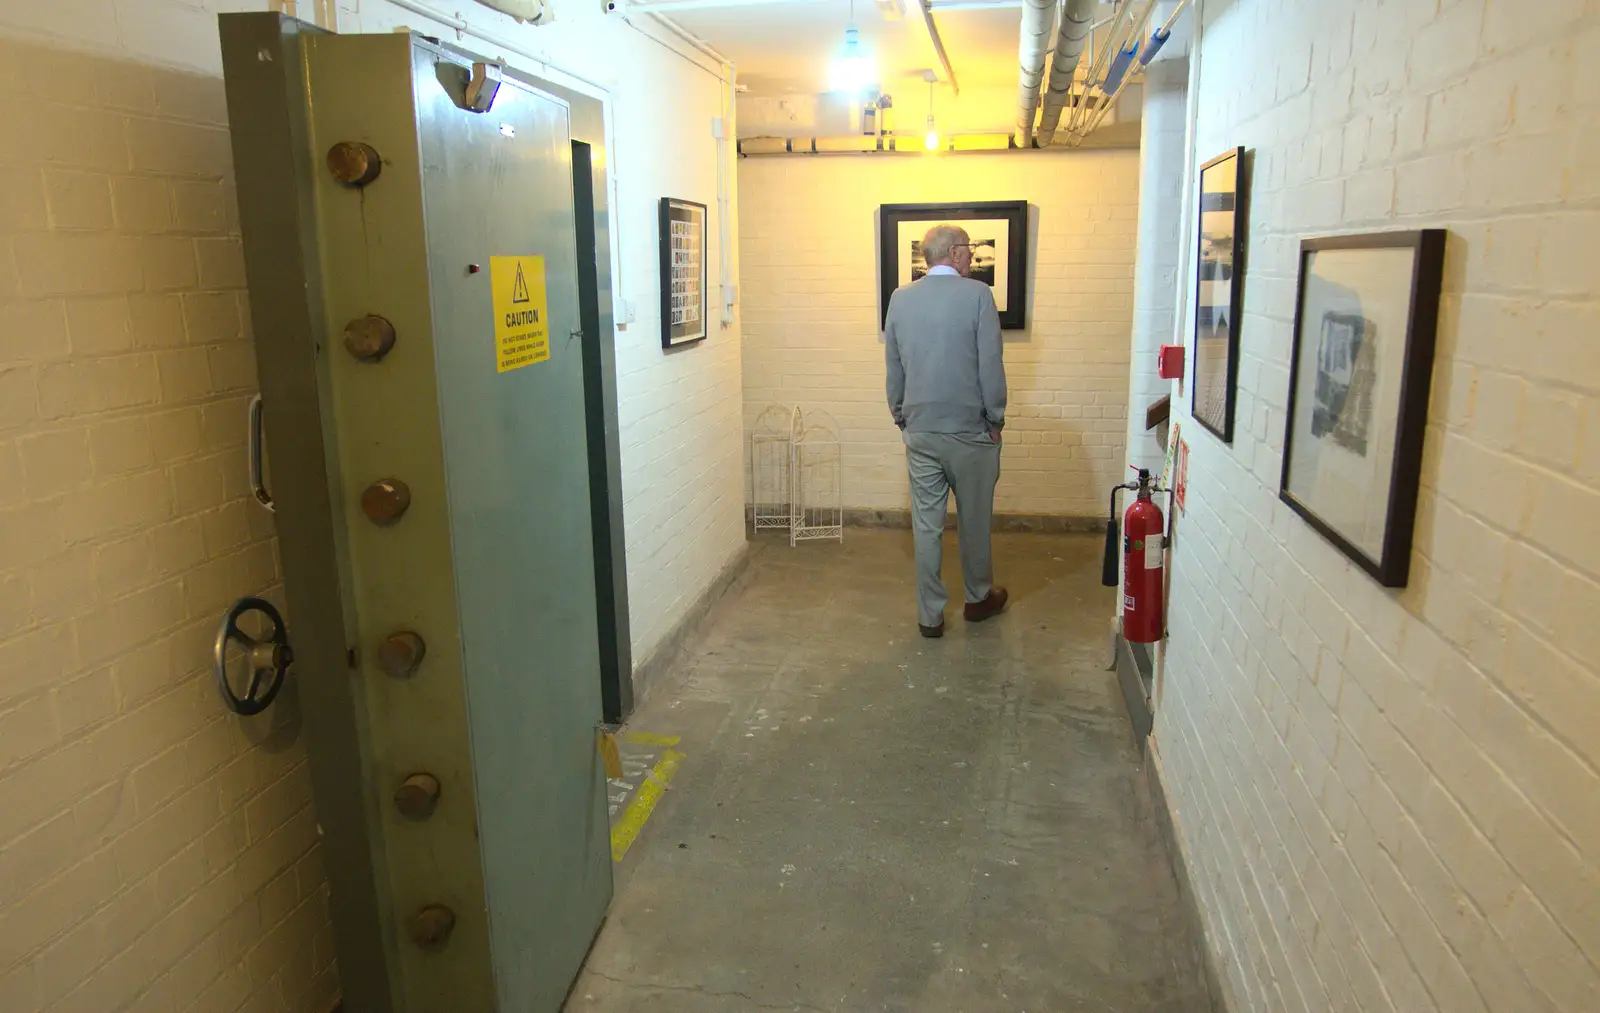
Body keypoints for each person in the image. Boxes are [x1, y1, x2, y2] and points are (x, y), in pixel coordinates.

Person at [884, 224, 1009, 639]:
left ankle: (930, 616)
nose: (971, 256)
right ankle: (977, 599)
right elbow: (990, 365)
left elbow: (895, 364)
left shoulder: (900, 299)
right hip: (970, 431)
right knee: (973, 522)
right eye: (967, 249)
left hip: (920, 431)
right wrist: (995, 418)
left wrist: (900, 412)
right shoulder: (977, 296)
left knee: (927, 526)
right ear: (954, 254)